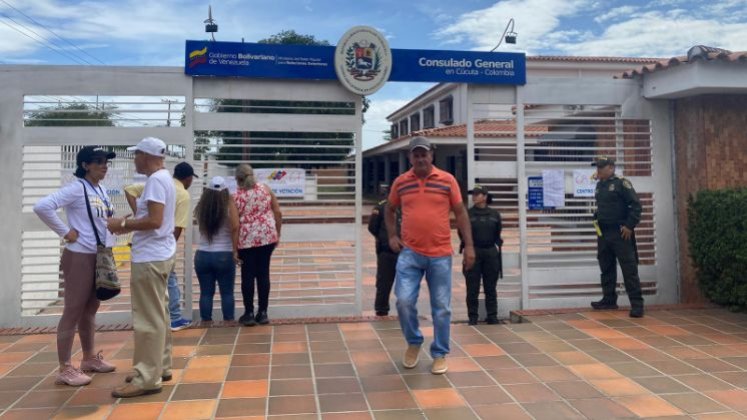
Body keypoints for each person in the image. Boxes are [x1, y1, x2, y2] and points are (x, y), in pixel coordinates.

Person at [385, 136, 475, 375]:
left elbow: (461, 212)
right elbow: (389, 208)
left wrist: (469, 246)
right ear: (410, 157)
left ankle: (439, 353)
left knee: (441, 307)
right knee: (403, 301)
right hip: (410, 253)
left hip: (440, 254)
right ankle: (414, 342)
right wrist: (392, 236)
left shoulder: (447, 180)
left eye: (424, 154)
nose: (421, 158)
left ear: (431, 155)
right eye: (416, 154)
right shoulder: (401, 182)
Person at [33, 146, 118, 387]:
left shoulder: (100, 189)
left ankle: (89, 358)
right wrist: (66, 231)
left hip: (98, 255)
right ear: (85, 165)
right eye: (99, 161)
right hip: (79, 255)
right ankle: (65, 367)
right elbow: (42, 207)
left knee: (90, 308)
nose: (104, 165)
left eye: (106, 161)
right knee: (72, 310)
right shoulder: (76, 188)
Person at [107, 137, 176, 398]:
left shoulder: (156, 181)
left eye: (136, 155)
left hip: (150, 257)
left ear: (146, 156)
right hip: (160, 253)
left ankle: (146, 377)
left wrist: (121, 226)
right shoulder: (163, 179)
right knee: (160, 314)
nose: (134, 159)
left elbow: (155, 220)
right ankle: (161, 366)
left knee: (148, 319)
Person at [124, 161, 195, 332]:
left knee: (154, 285)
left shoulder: (160, 184)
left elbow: (129, 190)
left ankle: (159, 318)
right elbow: (178, 226)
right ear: (189, 178)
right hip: (162, 246)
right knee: (170, 281)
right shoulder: (183, 195)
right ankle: (175, 318)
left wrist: (138, 214)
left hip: (145, 244)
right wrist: (170, 247)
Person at [591, 156, 644, 318]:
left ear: (611, 168)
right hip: (604, 233)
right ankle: (609, 300)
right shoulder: (600, 185)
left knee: (629, 269)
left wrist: (629, 226)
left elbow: (636, 206)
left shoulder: (622, 184)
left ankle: (637, 305)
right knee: (606, 267)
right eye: (597, 168)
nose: (598, 170)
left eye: (601, 167)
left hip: (621, 233)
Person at [234, 164, 282, 326]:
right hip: (267, 237)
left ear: (237, 179)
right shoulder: (266, 189)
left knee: (247, 275)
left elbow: (234, 225)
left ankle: (248, 313)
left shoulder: (235, 196)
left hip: (246, 240)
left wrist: (234, 249)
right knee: (263, 274)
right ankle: (263, 313)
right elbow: (278, 212)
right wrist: (277, 233)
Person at [194, 176, 240, 322]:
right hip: (224, 254)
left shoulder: (202, 207)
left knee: (206, 293)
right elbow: (235, 226)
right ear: (225, 190)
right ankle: (228, 322)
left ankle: (206, 322)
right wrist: (235, 250)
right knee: (227, 293)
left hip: (202, 254)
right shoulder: (228, 204)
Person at [461, 185, 503, 325]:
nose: (474, 197)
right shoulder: (468, 214)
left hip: (490, 252)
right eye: (473, 194)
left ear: (485, 196)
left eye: (477, 194)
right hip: (474, 252)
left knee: (490, 287)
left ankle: (492, 315)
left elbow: (498, 232)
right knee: (472, 287)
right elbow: (461, 233)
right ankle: (473, 317)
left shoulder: (494, 214)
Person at [367, 186, 401, 316]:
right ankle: (381, 309)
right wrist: (383, 238)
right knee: (384, 282)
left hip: (404, 251)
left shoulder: (404, 206)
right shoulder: (381, 207)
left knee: (405, 282)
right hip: (386, 251)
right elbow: (372, 227)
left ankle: (404, 309)